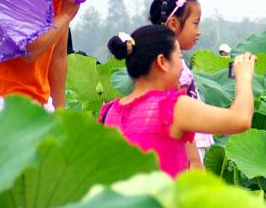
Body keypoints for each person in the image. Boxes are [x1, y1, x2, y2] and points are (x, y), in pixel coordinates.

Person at [99, 25, 255, 177]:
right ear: (162, 62)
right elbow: (241, 119)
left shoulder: (108, 112)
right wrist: (244, 77)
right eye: (180, 57)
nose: (182, 66)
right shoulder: (173, 107)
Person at [149, 0, 212, 168]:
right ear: (174, 24)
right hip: (189, 148)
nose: (198, 32)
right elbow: (181, 116)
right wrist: (195, 162)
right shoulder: (174, 69)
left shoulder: (159, 63)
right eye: (195, 23)